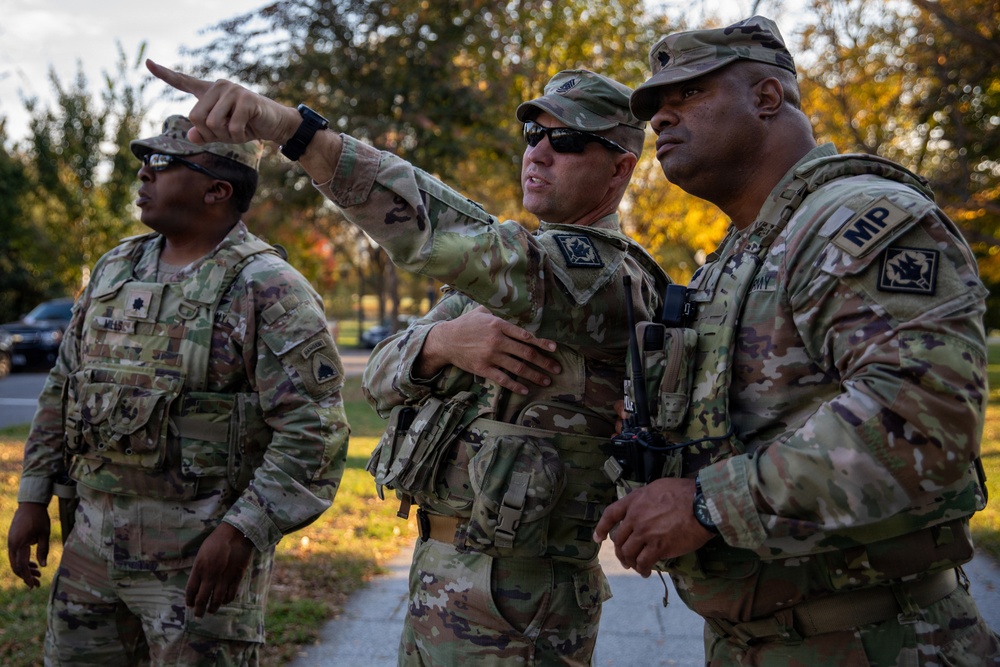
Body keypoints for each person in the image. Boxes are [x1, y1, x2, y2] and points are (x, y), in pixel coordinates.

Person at [146, 62, 672, 664]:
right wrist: (441, 345)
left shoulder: (603, 275)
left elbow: (437, 232)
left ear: (621, 168)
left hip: (523, 596)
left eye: (569, 140)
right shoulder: (507, 282)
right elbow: (378, 377)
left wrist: (292, 130)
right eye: (533, 136)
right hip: (440, 569)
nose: (540, 153)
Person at [591, 15, 999, 666]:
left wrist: (705, 503)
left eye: (688, 94)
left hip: (878, 641)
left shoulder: (863, 221)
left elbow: (927, 420)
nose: (661, 119)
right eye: (655, 109)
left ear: (767, 97)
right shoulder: (733, 258)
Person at [6, 116, 349, 665]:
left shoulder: (266, 287)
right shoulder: (116, 267)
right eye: (146, 160)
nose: (144, 171)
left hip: (198, 564)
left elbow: (316, 431)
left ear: (218, 189)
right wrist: (33, 497)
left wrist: (243, 532)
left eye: (164, 163)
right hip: (90, 549)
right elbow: (63, 387)